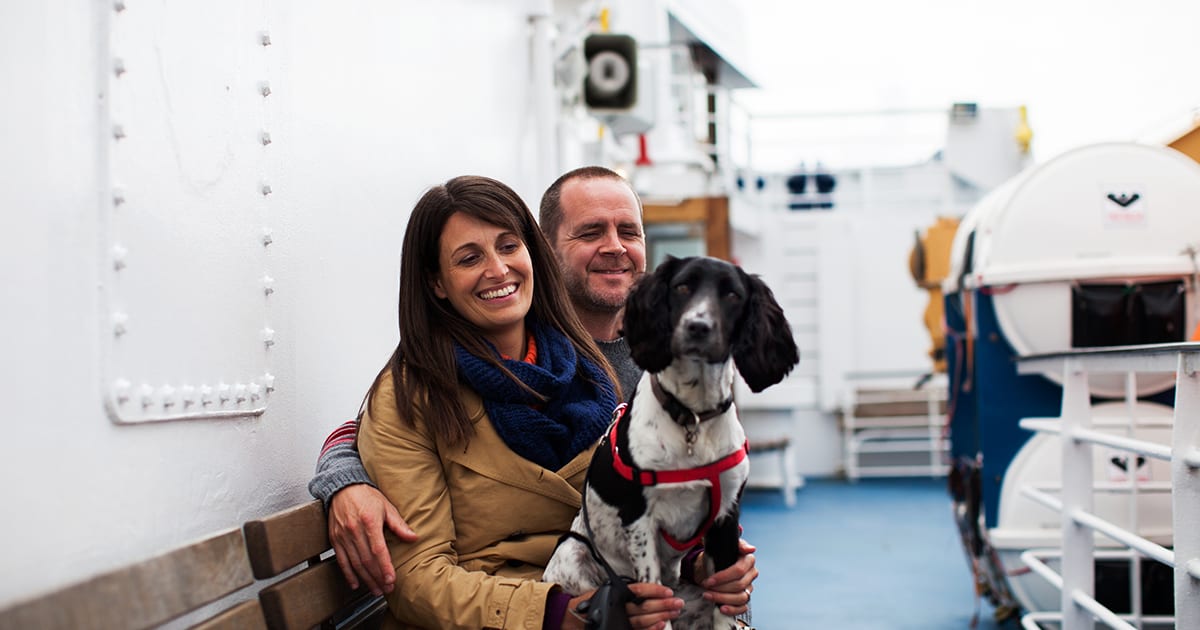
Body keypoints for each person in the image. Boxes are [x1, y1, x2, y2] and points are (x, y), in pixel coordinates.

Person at [309, 168, 757, 623]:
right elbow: (379, 433)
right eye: (589, 232)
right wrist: (343, 477)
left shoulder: (635, 364)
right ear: (548, 248)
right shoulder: (421, 390)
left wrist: (708, 566)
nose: (615, 248)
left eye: (628, 232)